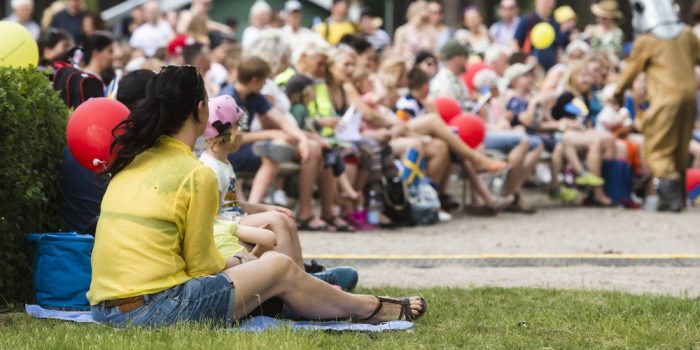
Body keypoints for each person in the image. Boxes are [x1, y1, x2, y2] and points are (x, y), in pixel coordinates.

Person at [87, 65, 426, 327]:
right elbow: (202, 267)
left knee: (272, 271)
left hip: (105, 310)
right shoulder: (195, 173)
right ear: (201, 110)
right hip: (154, 309)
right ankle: (365, 307)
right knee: (277, 264)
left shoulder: (132, 160)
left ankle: (304, 293)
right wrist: (247, 263)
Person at [200, 95, 358, 290]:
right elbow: (213, 217)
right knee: (276, 220)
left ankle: (302, 276)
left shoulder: (223, 162)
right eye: (240, 128)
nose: (243, 134)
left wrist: (267, 207)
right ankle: (303, 286)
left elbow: (234, 204)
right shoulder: (211, 168)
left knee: (282, 216)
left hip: (236, 218)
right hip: (228, 226)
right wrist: (253, 224)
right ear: (231, 133)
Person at [219, 57, 326, 231]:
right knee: (272, 155)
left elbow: (282, 121)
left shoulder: (255, 96)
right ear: (254, 79)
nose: (265, 85)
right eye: (263, 81)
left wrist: (302, 139)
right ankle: (253, 210)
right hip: (229, 151)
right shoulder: (228, 97)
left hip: (248, 147)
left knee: (290, 149)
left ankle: (260, 209)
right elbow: (227, 138)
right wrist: (270, 134)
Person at [615, 0, 700, 212]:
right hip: (690, 97)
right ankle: (678, 196)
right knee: (680, 146)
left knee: (658, 147)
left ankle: (670, 200)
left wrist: (617, 93)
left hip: (664, 99)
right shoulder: (687, 34)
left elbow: (630, 71)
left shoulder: (647, 40)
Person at [59, 69, 155, 236]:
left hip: (79, 246)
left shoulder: (82, 140)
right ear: (146, 107)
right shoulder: (129, 153)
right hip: (103, 248)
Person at [512, 0, 563, 71]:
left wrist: (561, 63)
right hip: (532, 69)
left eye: (552, 2)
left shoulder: (555, 24)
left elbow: (558, 48)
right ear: (537, 2)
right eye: (546, 2)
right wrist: (525, 59)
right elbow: (514, 43)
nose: (550, 5)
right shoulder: (528, 20)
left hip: (551, 68)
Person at [392, 0, 436, 65]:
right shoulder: (401, 31)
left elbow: (433, 53)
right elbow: (397, 54)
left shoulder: (431, 31)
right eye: (421, 17)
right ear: (414, 13)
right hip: (406, 68)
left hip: (425, 69)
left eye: (425, 18)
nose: (422, 20)